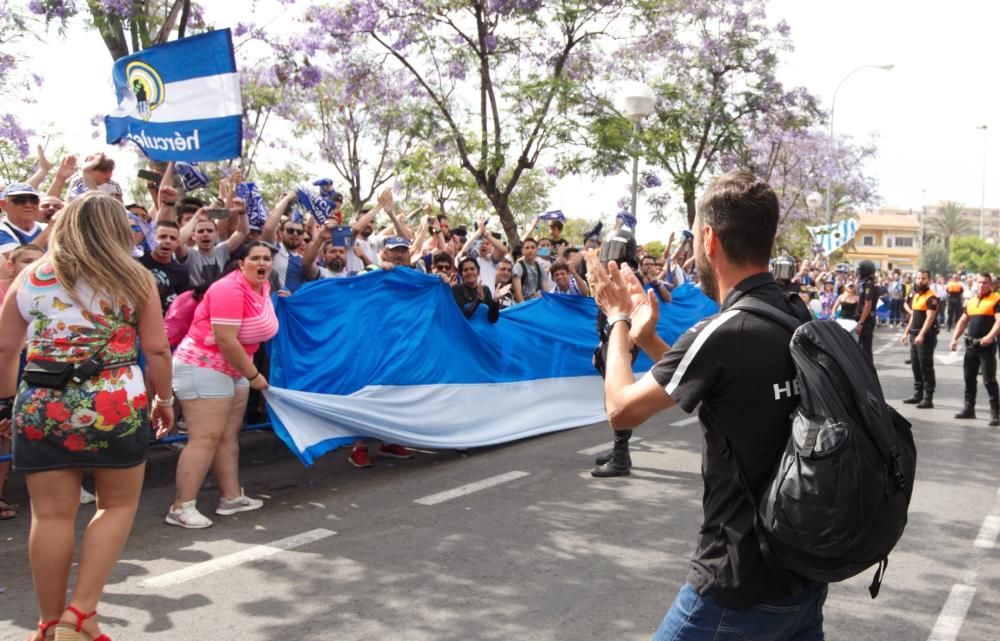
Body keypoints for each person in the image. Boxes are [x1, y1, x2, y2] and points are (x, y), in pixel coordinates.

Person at [586, 169, 825, 640]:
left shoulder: (724, 331)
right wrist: (650, 338)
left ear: (709, 238)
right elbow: (719, 392)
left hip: (737, 582)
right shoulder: (797, 316)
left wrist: (615, 320)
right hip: (803, 576)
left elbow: (620, 408)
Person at [0, 193, 173, 641]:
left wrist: (3, 405)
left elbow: (5, 347)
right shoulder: (133, 276)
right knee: (116, 504)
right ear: (117, 228)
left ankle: (48, 622)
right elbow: (156, 347)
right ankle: (82, 613)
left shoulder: (31, 275)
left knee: (51, 516)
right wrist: (166, 400)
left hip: (41, 403)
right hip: (112, 402)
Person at [166, 242, 279, 528]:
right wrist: (254, 375)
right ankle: (181, 507)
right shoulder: (228, 289)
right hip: (203, 365)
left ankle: (231, 498)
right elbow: (226, 338)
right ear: (241, 263)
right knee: (205, 437)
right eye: (255, 258)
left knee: (227, 435)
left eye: (267, 258)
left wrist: (247, 372)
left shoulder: (262, 288)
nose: (262, 263)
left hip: (234, 367)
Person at [950, 272, 1000, 425]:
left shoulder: (996, 300)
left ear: (990, 284)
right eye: (979, 282)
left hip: (986, 345)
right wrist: (954, 339)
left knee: (988, 380)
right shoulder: (971, 301)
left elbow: (999, 321)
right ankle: (969, 409)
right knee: (969, 378)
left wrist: (990, 336)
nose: (981, 285)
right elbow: (963, 321)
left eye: (985, 282)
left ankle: (995, 413)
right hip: (971, 344)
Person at [902, 269, 939, 409]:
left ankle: (928, 398)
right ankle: (918, 394)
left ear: (928, 280)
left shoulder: (932, 297)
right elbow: (914, 316)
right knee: (915, 365)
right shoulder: (916, 296)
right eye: (918, 278)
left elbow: (930, 319)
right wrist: (906, 332)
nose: (920, 281)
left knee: (926, 366)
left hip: (926, 336)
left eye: (923, 278)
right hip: (914, 334)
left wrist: (921, 334)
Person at [138, 221, 191, 314]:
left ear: (177, 242)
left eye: (173, 238)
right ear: (151, 239)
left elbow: (183, 305)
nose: (168, 241)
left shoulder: (182, 271)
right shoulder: (137, 262)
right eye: (162, 236)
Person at [0, 182, 50, 257]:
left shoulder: (45, 227)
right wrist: (50, 229)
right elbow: (22, 258)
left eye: (34, 200)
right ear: (3, 205)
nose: (28, 205)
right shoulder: (2, 231)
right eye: (20, 200)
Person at [452, 256, 503, 322]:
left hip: (483, 331)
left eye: (472, 269)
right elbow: (463, 316)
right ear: (461, 274)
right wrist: (478, 299)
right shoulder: (456, 289)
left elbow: (492, 319)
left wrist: (495, 302)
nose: (469, 272)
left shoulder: (485, 290)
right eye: (465, 270)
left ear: (478, 272)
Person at [855, 260, 878, 366]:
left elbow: (867, 305)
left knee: (865, 350)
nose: (858, 272)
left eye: (860, 270)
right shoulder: (866, 283)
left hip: (866, 320)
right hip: (866, 319)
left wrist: (861, 322)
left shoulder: (869, 285)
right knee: (862, 348)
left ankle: (868, 374)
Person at [513, 238, 545, 302]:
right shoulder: (518, 267)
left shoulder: (540, 267)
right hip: (522, 305)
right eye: (527, 248)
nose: (530, 250)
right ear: (522, 250)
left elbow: (545, 290)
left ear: (537, 250)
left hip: (536, 303)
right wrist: (525, 309)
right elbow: (517, 293)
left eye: (532, 247)